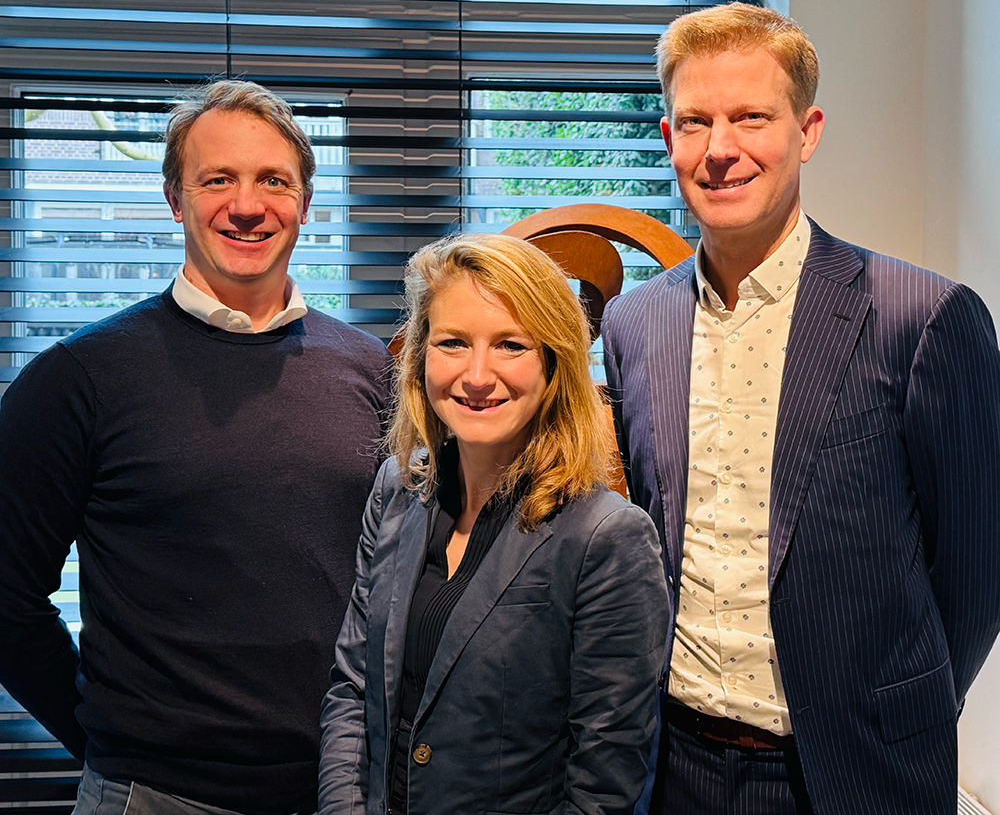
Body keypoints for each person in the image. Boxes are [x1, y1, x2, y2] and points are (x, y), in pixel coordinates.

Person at [601, 3, 1000, 815]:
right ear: (668, 137)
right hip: (673, 771)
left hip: (858, 775)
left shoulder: (921, 319)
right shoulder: (632, 325)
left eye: (752, 117)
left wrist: (901, 711)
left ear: (808, 131)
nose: (720, 149)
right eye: (694, 121)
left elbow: (976, 571)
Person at [0, 80, 392, 815]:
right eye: (217, 180)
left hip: (343, 793)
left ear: (306, 202)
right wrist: (109, 741)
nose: (247, 205)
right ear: (175, 200)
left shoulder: (373, 370)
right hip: (154, 796)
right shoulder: (80, 377)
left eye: (273, 180)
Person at [318, 233, 669, 815]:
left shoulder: (606, 539)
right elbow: (354, 688)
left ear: (554, 364)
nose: (477, 375)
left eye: (510, 345)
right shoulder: (396, 488)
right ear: (420, 358)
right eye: (453, 342)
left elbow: (602, 787)